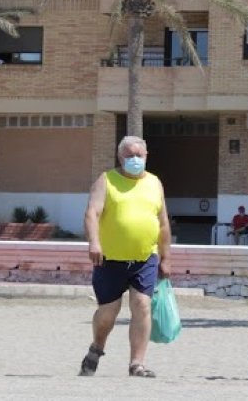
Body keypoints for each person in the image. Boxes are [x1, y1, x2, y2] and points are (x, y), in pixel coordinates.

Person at [79, 136, 171, 379]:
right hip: (110, 260)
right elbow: (92, 213)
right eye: (129, 155)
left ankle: (136, 364)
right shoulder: (106, 180)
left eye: (139, 155)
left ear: (146, 156)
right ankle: (96, 348)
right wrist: (94, 242)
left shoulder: (155, 183)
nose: (134, 159)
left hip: (145, 259)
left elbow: (162, 223)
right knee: (108, 312)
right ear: (120, 157)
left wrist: (166, 257)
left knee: (142, 305)